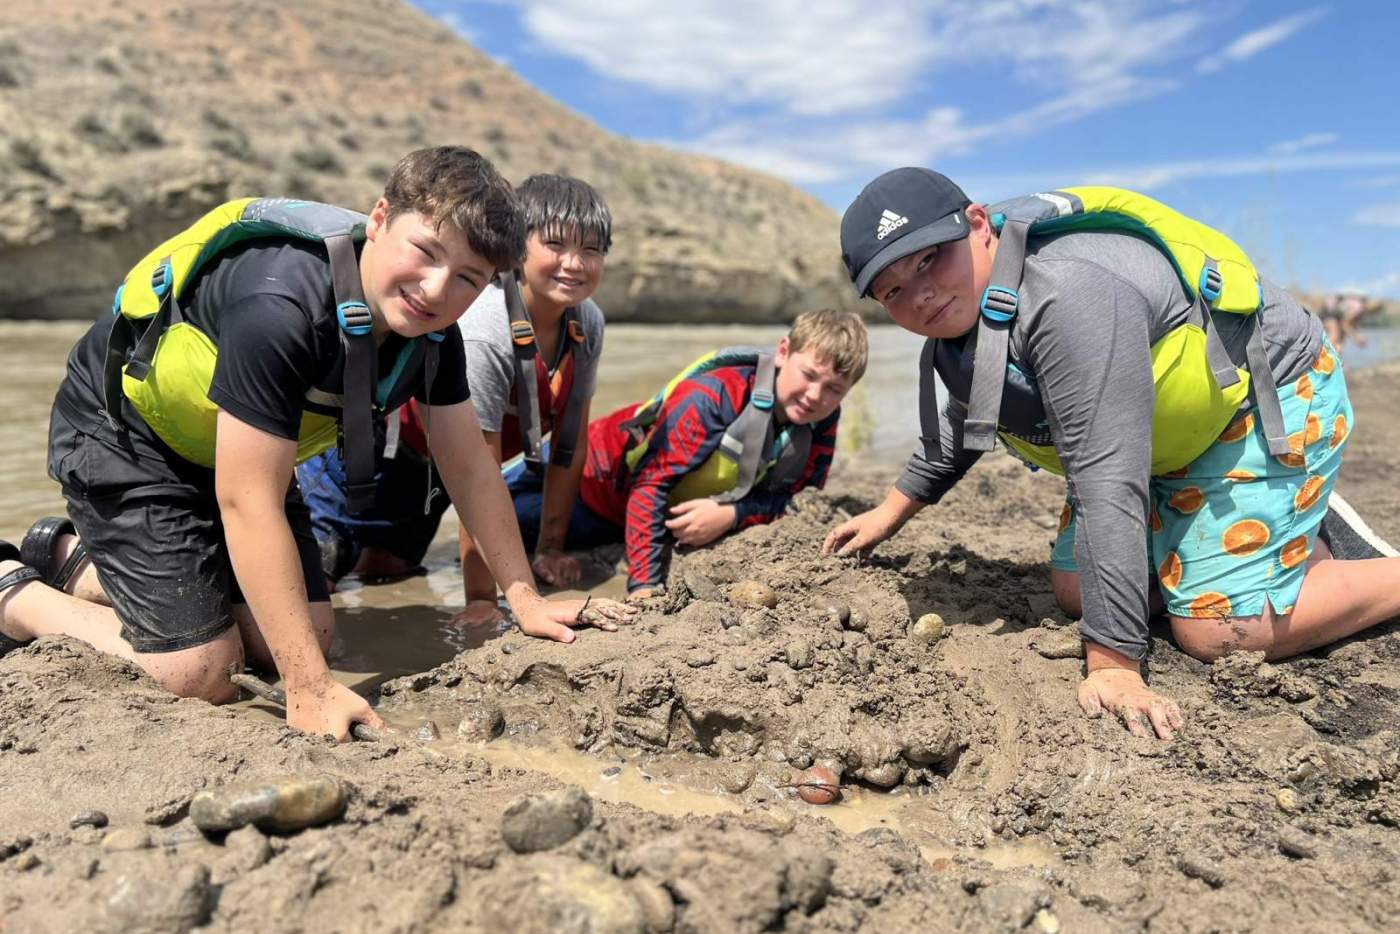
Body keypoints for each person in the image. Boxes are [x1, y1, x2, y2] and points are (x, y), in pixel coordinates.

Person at [0, 147, 631, 740]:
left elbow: (470, 466)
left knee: (308, 633)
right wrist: (308, 689)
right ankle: (15, 587)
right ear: (380, 219)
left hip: (222, 450)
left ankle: (71, 556)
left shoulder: (436, 338)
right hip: (127, 440)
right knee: (199, 674)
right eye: (426, 252)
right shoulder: (282, 305)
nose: (438, 291)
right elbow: (249, 501)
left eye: (468, 277)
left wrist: (523, 599)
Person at [823, 168, 1400, 741]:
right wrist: (890, 512)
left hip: (1258, 403)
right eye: (893, 290)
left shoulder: (1066, 293)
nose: (920, 293)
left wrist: (1114, 664)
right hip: (1162, 433)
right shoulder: (976, 305)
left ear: (978, 225)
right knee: (1078, 590)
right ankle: (1295, 533)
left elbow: (1107, 481)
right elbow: (968, 417)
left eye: (929, 259)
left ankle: (1321, 530)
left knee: (1219, 633)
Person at [298, 174, 611, 639]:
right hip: (372, 449)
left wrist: (549, 548)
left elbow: (569, 444)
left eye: (590, 250)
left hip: (435, 475)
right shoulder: (486, 324)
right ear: (517, 251)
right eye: (555, 244)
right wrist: (481, 600)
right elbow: (475, 465)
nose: (574, 263)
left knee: (388, 571)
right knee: (321, 579)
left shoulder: (587, 324)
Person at [572, 308, 867, 596]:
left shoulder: (821, 418)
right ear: (783, 352)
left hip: (626, 517)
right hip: (585, 482)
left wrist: (732, 515)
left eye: (834, 389)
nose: (815, 396)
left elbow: (802, 499)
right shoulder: (714, 394)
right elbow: (650, 485)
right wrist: (644, 586)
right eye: (809, 375)